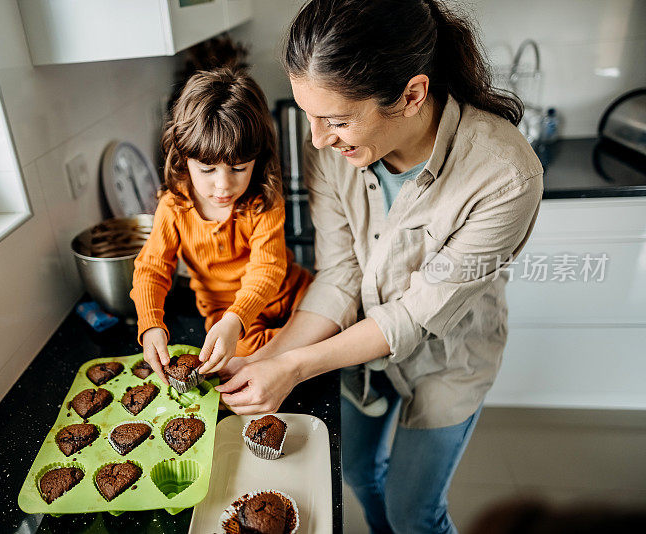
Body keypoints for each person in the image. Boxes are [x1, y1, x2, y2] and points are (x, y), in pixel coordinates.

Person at [214, 1, 544, 533]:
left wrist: (295, 367)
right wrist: (268, 357)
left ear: (411, 95)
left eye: (337, 120)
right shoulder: (330, 151)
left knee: (415, 513)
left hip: (446, 363)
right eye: (310, 116)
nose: (318, 139)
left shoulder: (505, 175)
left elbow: (413, 315)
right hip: (361, 353)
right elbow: (341, 274)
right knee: (361, 471)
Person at [131, 68, 313, 386]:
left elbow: (268, 269)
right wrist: (151, 324)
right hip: (226, 317)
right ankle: (298, 352)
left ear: (258, 158)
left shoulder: (263, 199)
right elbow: (151, 268)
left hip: (285, 293)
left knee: (327, 308)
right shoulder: (174, 206)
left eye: (239, 168)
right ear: (182, 158)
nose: (223, 185)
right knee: (243, 354)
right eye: (207, 169)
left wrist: (239, 317)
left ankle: (301, 351)